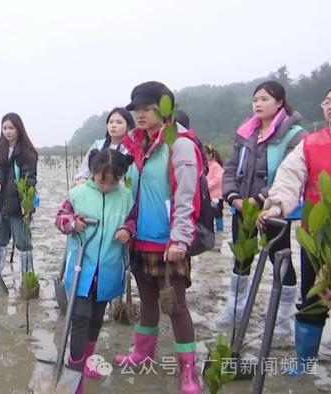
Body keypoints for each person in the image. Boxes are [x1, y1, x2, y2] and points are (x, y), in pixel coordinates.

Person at [114, 81, 204, 394]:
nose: (139, 114)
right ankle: (142, 354)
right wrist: (127, 225)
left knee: (176, 306)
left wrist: (179, 240)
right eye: (135, 109)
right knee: (148, 301)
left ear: (164, 109)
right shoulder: (137, 145)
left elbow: (187, 195)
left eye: (147, 108)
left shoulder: (179, 144)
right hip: (141, 240)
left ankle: (188, 372)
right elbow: (131, 193)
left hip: (169, 244)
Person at [258, 83, 331, 376]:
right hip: (317, 240)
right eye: (327, 101)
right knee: (312, 299)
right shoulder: (312, 143)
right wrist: (275, 206)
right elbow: (289, 179)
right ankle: (305, 361)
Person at [218, 80, 306, 339]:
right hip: (242, 208)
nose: (258, 103)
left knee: (280, 260)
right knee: (241, 257)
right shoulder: (245, 133)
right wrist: (233, 197)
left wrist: (259, 199)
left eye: (265, 99)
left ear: (280, 102)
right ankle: (235, 308)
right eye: (255, 99)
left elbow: (288, 175)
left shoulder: (294, 135)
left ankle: (281, 318)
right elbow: (231, 169)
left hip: (274, 210)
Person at [55, 149, 134, 389]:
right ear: (93, 173)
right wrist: (71, 223)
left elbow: (133, 220)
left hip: (109, 269)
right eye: (102, 180)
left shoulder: (126, 197)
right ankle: (75, 369)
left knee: (97, 318)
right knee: (80, 317)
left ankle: (88, 359)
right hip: (82, 268)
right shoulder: (77, 194)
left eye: (114, 181)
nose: (107, 186)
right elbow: (60, 217)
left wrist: (128, 230)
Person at [0, 113, 38, 290]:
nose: (8, 131)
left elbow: (30, 179)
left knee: (23, 241)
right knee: (0, 237)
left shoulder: (27, 152)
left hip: (19, 205)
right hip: (0, 202)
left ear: (19, 129)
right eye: (5, 128)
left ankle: (27, 276)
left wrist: (25, 205)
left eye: (11, 128)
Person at [73, 108, 134, 184]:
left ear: (128, 126)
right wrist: (81, 180)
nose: (113, 125)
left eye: (119, 122)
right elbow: (84, 171)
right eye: (111, 122)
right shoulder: (98, 146)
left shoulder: (133, 149)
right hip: (97, 192)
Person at [204, 145, 225, 232]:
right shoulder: (204, 166)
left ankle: (220, 230)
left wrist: (206, 186)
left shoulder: (216, 166)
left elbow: (218, 179)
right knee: (208, 215)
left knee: (218, 214)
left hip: (216, 196)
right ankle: (210, 231)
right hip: (207, 195)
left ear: (211, 155)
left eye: (206, 154)